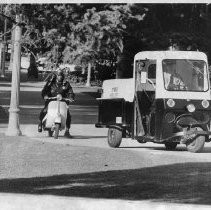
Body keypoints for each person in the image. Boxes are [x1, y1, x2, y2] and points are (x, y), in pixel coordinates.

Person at [38, 69, 75, 137]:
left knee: (68, 115)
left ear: (63, 76)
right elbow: (44, 90)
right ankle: (40, 123)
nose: (59, 77)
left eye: (61, 75)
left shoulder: (66, 84)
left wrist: (71, 97)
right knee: (44, 111)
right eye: (58, 75)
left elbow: (70, 92)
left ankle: (67, 131)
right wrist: (45, 96)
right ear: (56, 76)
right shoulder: (50, 83)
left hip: (62, 102)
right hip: (51, 101)